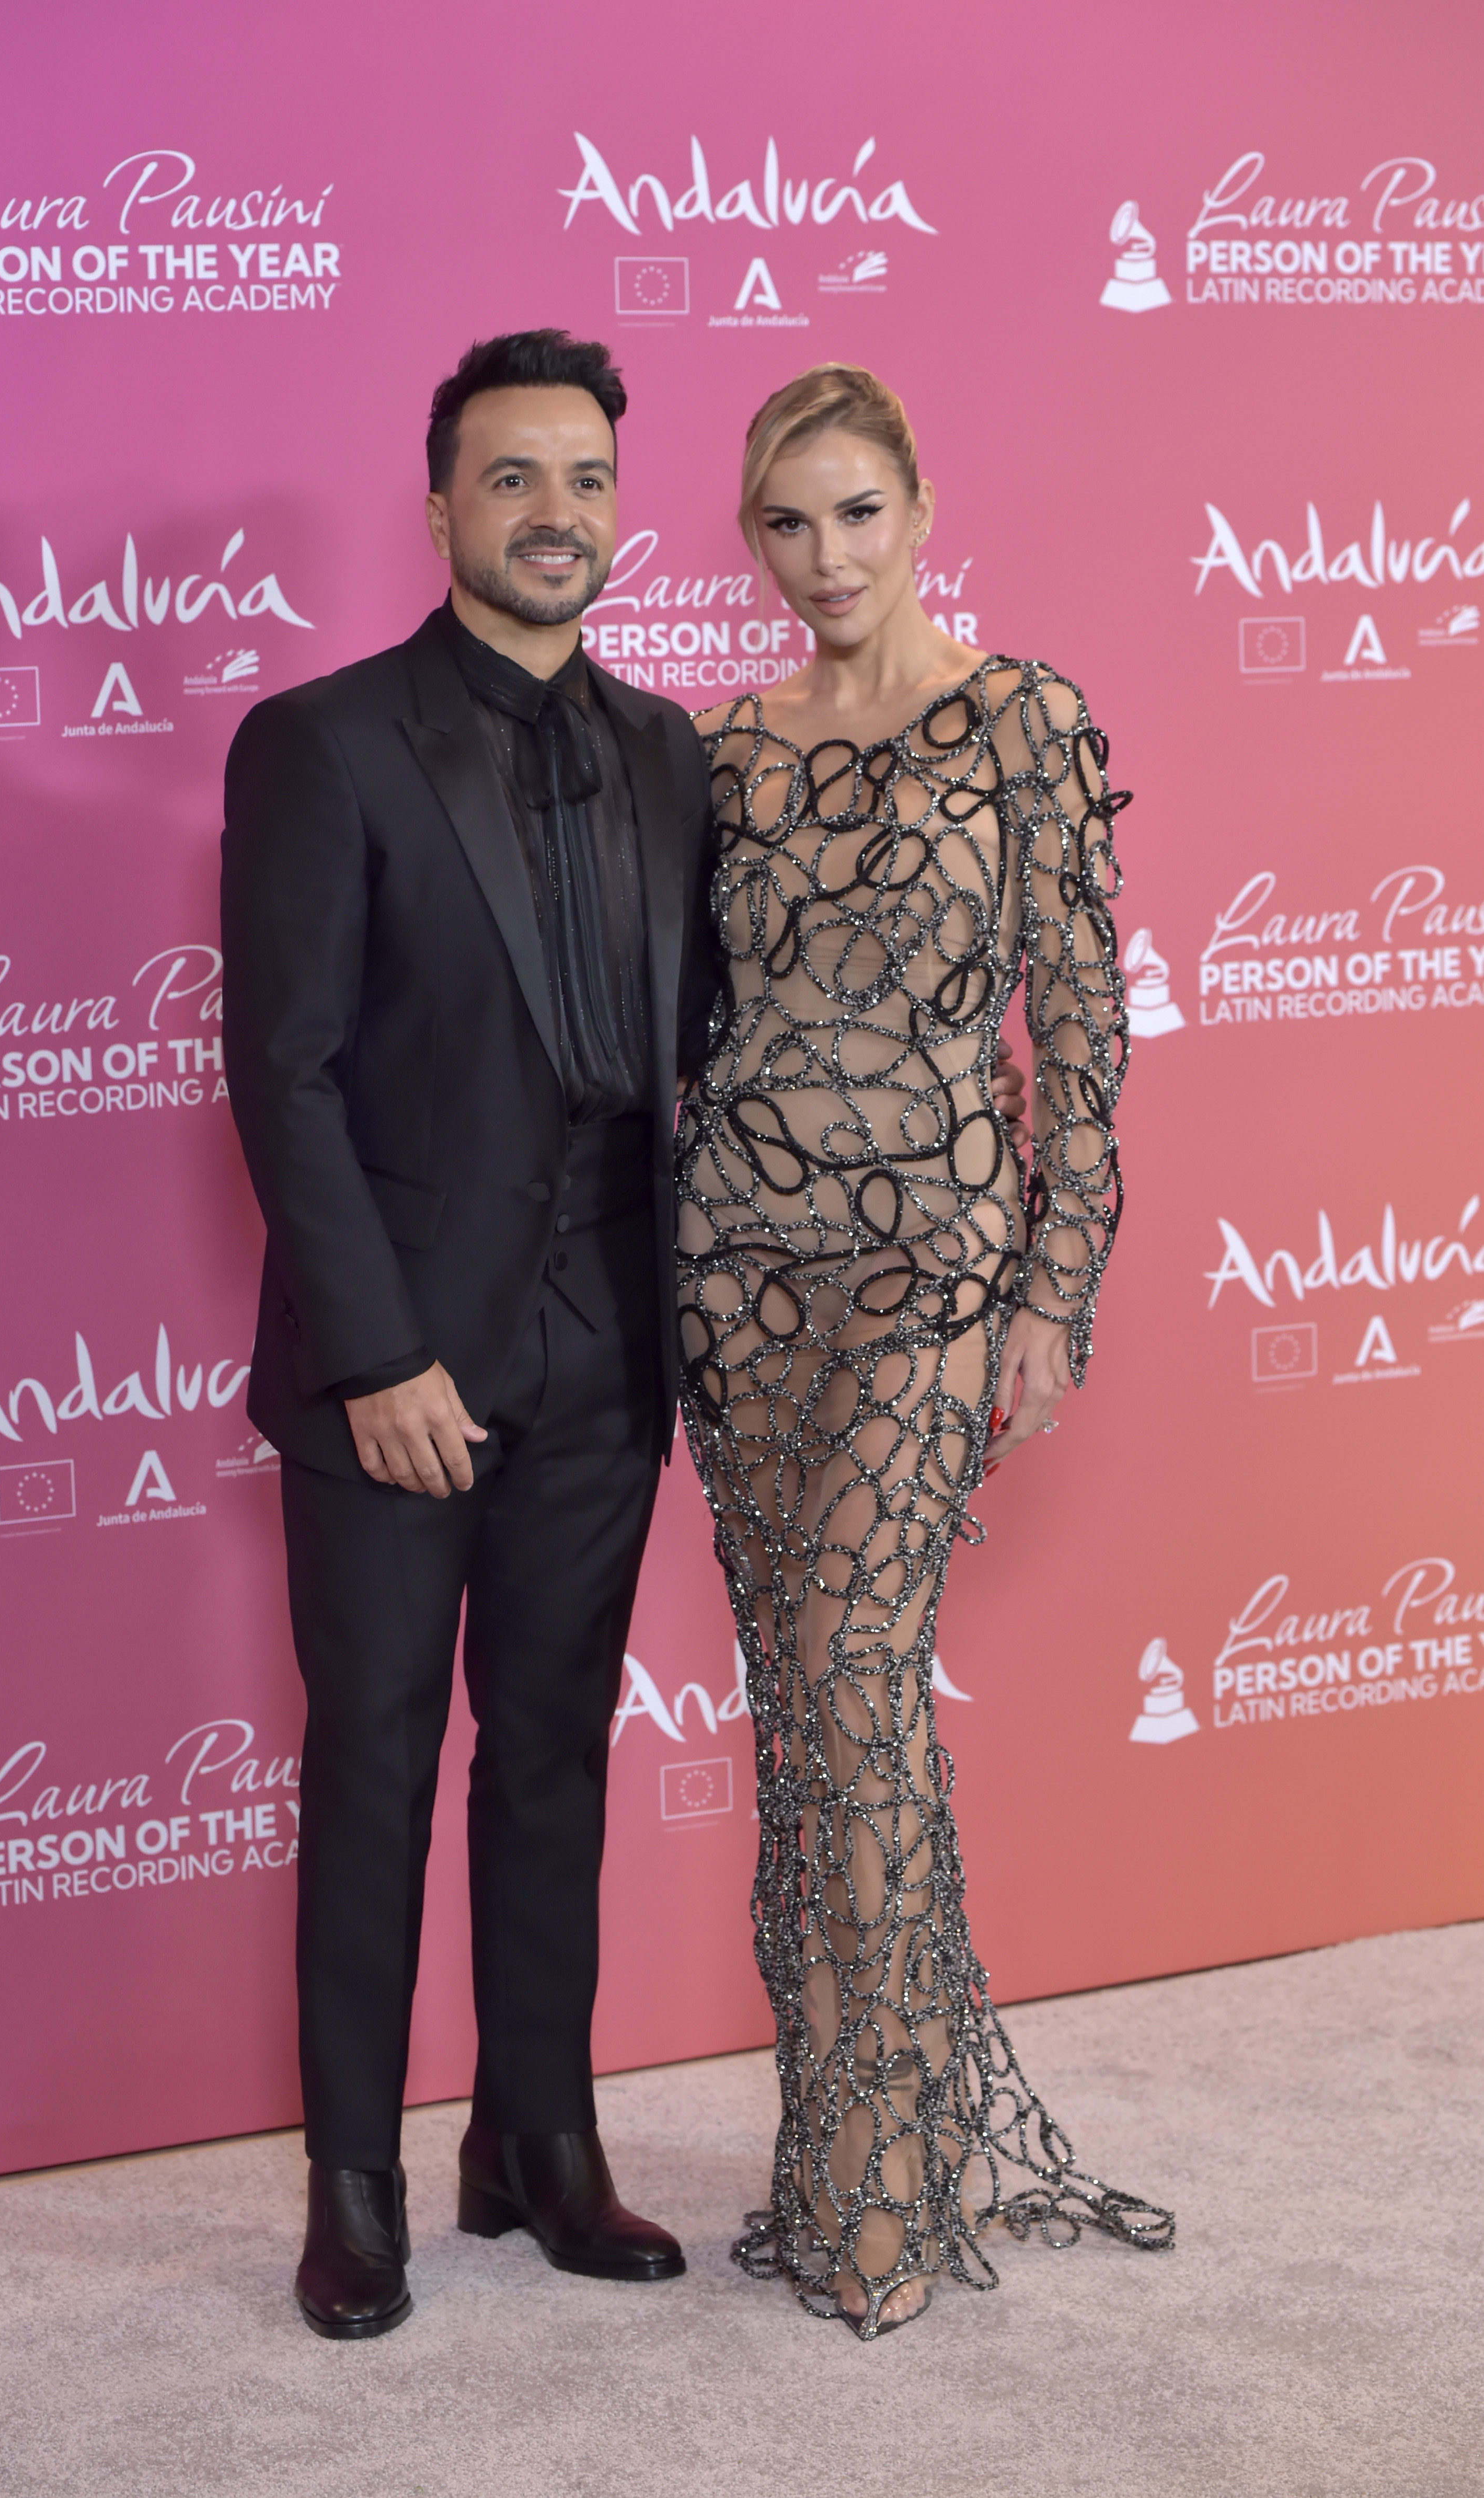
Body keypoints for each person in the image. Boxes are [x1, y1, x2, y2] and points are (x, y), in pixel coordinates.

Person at [218, 330, 721, 2337]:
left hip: (607, 1345)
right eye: (512, 479)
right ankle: (352, 2183)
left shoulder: (678, 749)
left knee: (555, 1771)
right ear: (439, 508)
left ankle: (536, 2141)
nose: (554, 514)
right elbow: (287, 1072)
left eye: (585, 478)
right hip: (398, 1367)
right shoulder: (324, 740)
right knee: (372, 1766)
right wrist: (374, 1354)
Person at [676, 364, 1174, 2340]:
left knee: (862, 1684)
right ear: (748, 536)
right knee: (801, 1718)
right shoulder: (721, 750)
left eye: (857, 512)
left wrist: (1053, 1290)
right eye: (787, 523)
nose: (825, 558)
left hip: (928, 1277)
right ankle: (833, 2158)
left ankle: (886, 2193)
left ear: (921, 507)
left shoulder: (1019, 720)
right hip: (736, 1274)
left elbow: (1087, 1033)